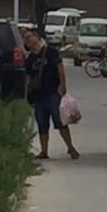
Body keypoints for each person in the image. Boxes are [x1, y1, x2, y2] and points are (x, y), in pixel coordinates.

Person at [23, 26, 79, 160]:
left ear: (37, 36)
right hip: (39, 96)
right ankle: (44, 151)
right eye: (25, 39)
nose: (27, 41)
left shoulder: (51, 52)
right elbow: (28, 79)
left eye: (29, 37)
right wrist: (28, 94)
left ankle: (71, 148)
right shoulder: (30, 60)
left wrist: (63, 85)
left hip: (53, 93)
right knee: (42, 124)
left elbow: (60, 68)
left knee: (61, 122)